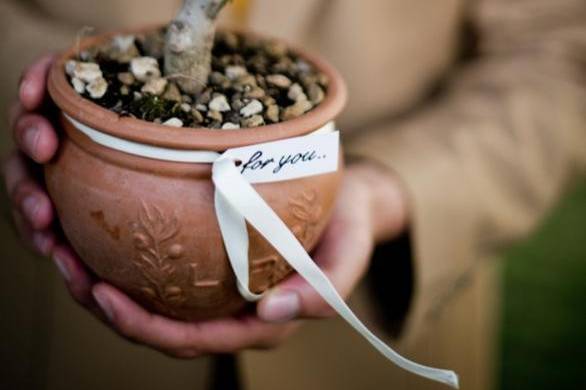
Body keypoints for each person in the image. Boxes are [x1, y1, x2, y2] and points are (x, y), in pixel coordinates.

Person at [2, 0, 585, 389]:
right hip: (66, 331)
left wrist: (389, 189)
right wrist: (30, 103)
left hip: (369, 332)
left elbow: (563, 53)